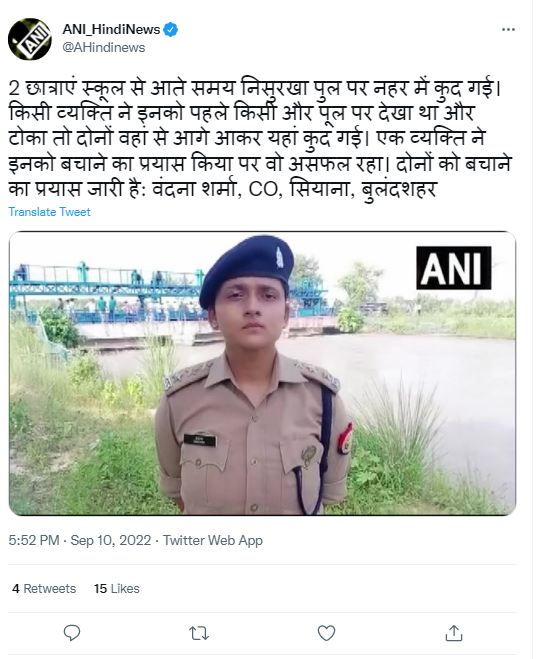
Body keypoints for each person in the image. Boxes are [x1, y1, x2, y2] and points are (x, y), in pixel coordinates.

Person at [155, 235, 352, 515]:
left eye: (268, 295)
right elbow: (179, 494)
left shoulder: (323, 399)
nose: (252, 307)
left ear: (285, 315)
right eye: (236, 295)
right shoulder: (178, 403)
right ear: (213, 316)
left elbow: (328, 494)